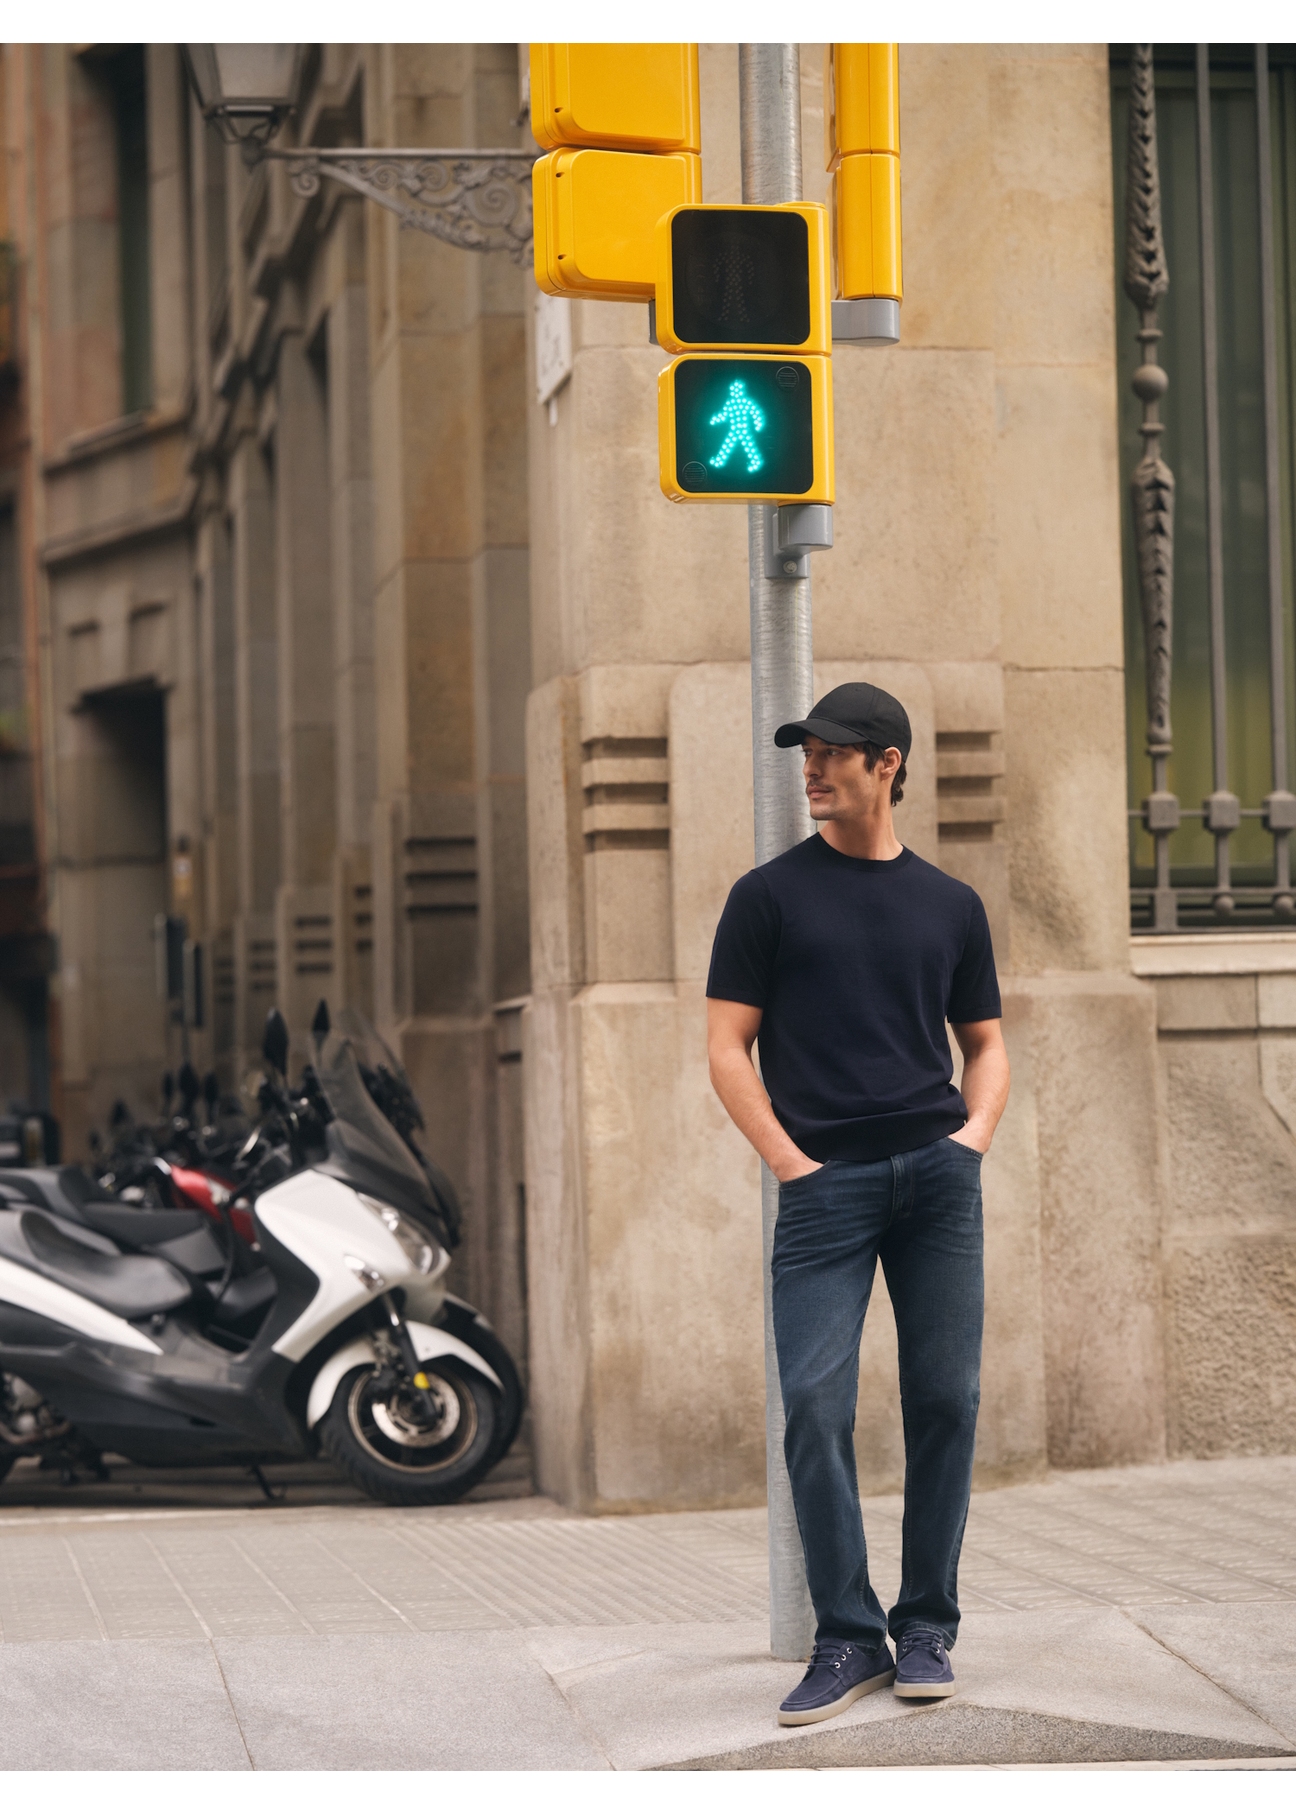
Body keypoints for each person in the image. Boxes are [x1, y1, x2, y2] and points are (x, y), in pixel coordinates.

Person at [706, 680, 1009, 1725]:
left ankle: (926, 1624)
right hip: (823, 1191)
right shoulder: (767, 896)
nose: (813, 767)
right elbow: (725, 1043)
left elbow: (986, 1042)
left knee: (945, 1403)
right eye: (807, 751)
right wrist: (792, 1163)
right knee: (815, 1407)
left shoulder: (950, 904)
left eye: (835, 751)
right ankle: (847, 1633)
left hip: (937, 1180)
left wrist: (970, 1140)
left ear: (888, 763)